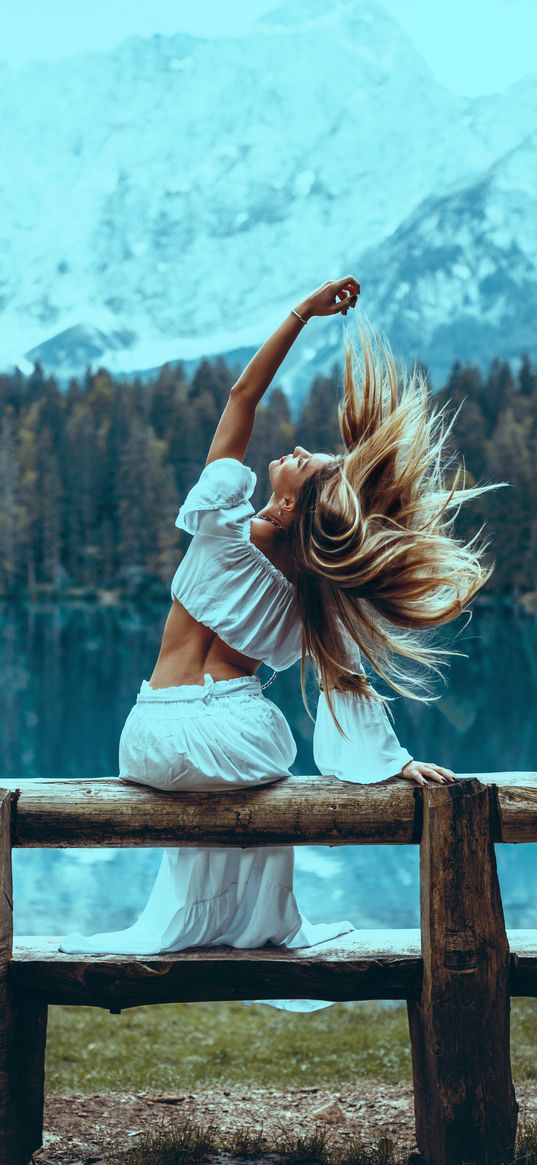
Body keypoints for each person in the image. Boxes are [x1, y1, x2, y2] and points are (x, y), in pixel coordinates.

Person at [58, 276, 506, 1010]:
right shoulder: (315, 602)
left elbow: (240, 396)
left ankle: (208, 917)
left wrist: (302, 312)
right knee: (269, 771)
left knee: (224, 770)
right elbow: (348, 687)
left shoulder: (219, 525)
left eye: (305, 461)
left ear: (291, 502)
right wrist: (392, 764)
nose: (295, 449)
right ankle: (258, 919)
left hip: (146, 740)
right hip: (241, 741)